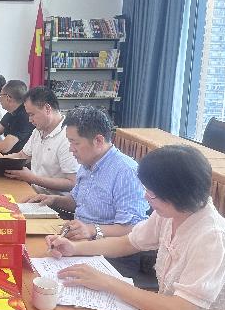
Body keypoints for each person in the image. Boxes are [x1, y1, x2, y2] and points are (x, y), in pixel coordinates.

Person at [46, 145, 225, 310]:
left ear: (177, 196)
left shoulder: (212, 237)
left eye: (152, 194)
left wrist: (107, 282)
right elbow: (128, 242)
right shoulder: (171, 214)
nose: (145, 197)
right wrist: (75, 248)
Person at [25, 106, 148, 275]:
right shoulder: (86, 163)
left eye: (75, 143)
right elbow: (78, 202)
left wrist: (92, 229)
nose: (71, 149)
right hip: (79, 242)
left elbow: (133, 228)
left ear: (98, 140)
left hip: (113, 256)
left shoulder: (126, 172)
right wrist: (53, 200)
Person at [2, 86, 79, 193]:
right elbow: (22, 156)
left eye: (32, 114)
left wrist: (32, 178)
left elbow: (72, 183)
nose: (30, 120)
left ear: (47, 108)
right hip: (34, 192)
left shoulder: (68, 137)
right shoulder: (38, 130)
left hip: (54, 200)